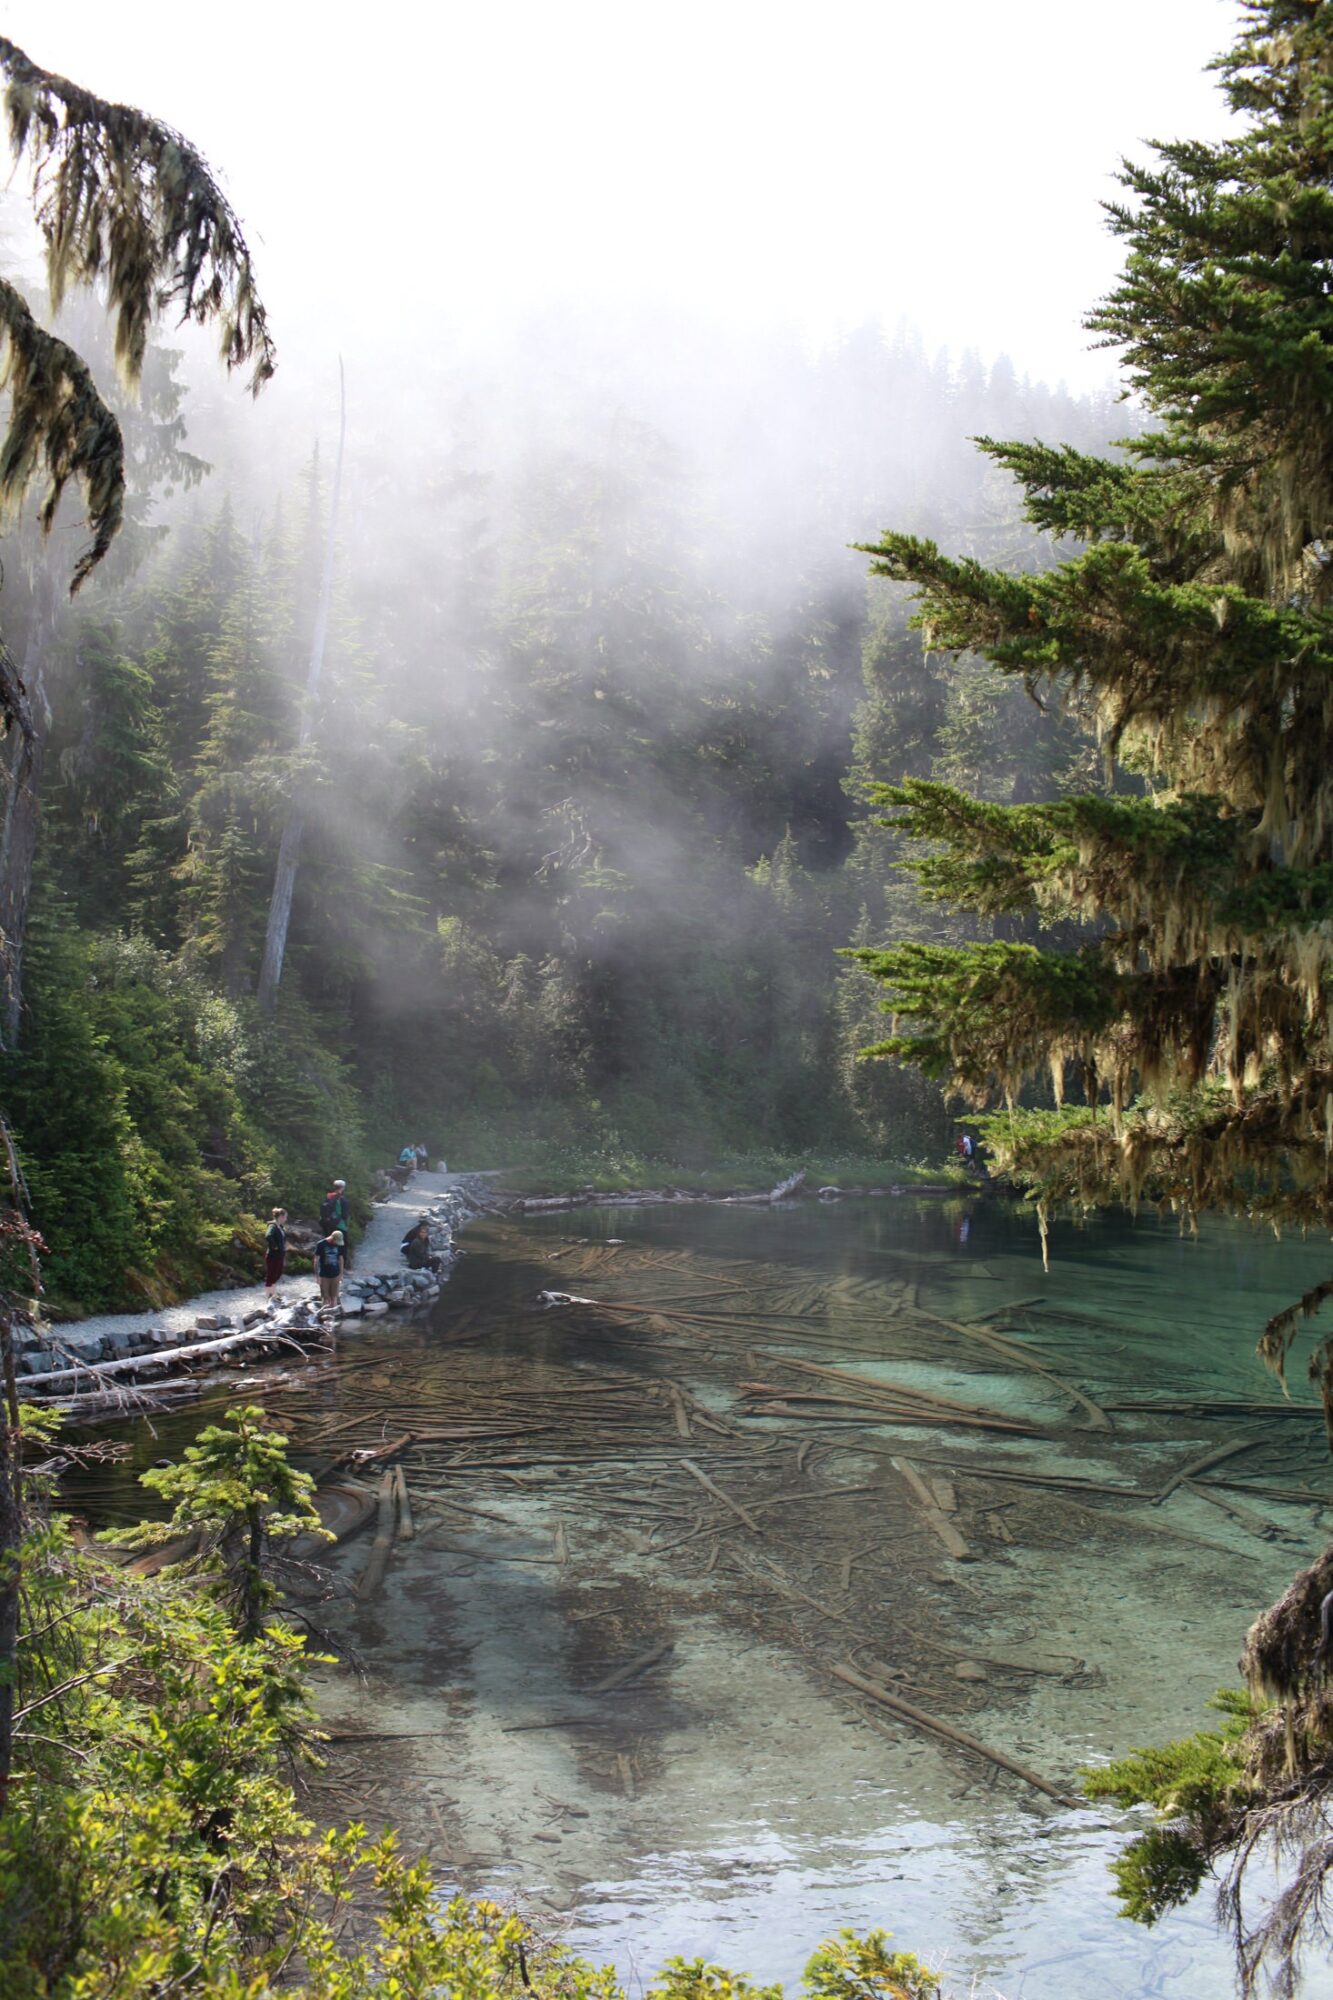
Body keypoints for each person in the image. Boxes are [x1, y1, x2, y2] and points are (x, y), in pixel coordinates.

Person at [319, 1179, 351, 1265]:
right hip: (340, 1225)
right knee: (342, 1245)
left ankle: (327, 1262)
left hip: (328, 1224)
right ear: (343, 1188)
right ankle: (341, 1266)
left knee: (329, 1243)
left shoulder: (328, 1197)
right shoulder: (343, 1200)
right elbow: (345, 1215)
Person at [313, 1228, 345, 1308]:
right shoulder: (321, 1244)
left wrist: (341, 1274)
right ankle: (325, 1316)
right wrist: (317, 1276)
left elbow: (341, 1259)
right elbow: (316, 1260)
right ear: (332, 1238)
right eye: (336, 1242)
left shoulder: (339, 1245)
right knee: (325, 1298)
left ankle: (333, 1316)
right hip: (324, 1276)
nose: (337, 1244)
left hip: (336, 1275)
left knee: (334, 1297)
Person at [264, 1208, 287, 1294]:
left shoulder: (280, 1227)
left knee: (277, 1274)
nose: (286, 1219)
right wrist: (275, 1247)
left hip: (280, 1255)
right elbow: (268, 1236)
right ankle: (269, 1296)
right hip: (273, 1255)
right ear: (281, 1217)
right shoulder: (272, 1226)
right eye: (285, 1217)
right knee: (271, 1276)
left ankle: (272, 1294)